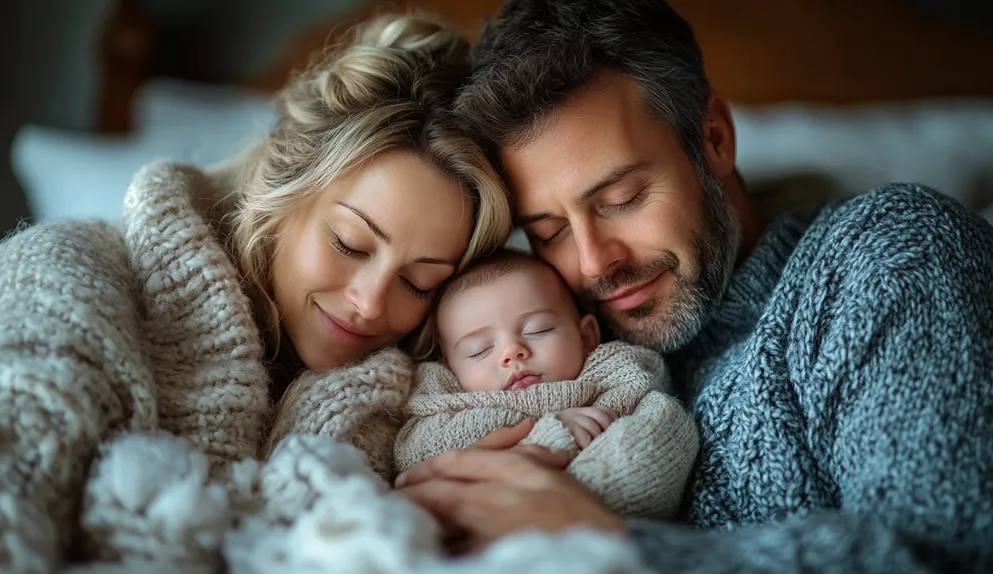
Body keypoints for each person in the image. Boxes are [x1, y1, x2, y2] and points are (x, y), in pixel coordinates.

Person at [394, 0, 993, 571]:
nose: (593, 264)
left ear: (715, 140)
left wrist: (604, 545)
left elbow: (950, 553)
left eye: (621, 199)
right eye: (548, 231)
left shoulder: (884, 257)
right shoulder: (569, 342)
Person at [0, 13, 511, 569]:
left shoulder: (432, 386)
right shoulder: (65, 272)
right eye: (350, 244)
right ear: (283, 192)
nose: (371, 304)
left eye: (417, 282)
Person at [392, 249, 699, 520]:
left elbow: (660, 441)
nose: (512, 352)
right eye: (479, 350)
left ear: (586, 336)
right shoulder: (441, 398)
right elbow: (417, 455)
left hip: (586, 523)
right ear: (451, 370)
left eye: (537, 330)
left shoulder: (619, 374)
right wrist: (553, 432)